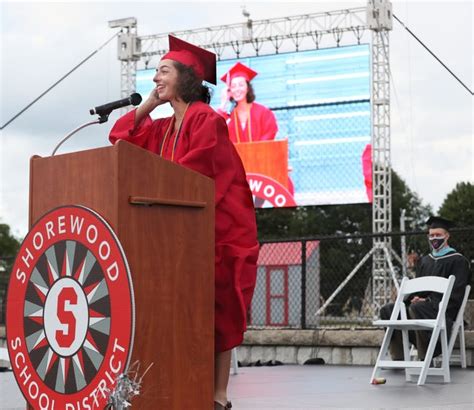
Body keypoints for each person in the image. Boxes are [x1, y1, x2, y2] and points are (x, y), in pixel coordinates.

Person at [109, 35, 259, 410]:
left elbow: (193, 172)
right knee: (182, 309)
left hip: (218, 230)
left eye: (163, 71)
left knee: (219, 314)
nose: (155, 78)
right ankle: (182, 385)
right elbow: (120, 140)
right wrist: (148, 104)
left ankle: (218, 395)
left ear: (186, 78)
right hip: (180, 229)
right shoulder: (162, 127)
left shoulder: (206, 119)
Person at [380, 216, 471, 360]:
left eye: (438, 235)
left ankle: (427, 354)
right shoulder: (425, 261)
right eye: (432, 235)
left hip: (442, 310)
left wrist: (427, 300)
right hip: (420, 308)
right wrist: (414, 298)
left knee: (418, 307)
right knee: (388, 310)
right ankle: (399, 357)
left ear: (447, 236)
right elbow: (418, 289)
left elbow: (456, 294)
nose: (434, 238)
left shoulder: (458, 260)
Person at [217, 62, 278, 143]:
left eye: (241, 85)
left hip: (261, 154)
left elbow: (269, 133)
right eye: (233, 86)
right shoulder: (228, 117)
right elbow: (214, 131)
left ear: (248, 88)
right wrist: (223, 103)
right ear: (229, 91)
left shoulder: (263, 112)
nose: (237, 89)